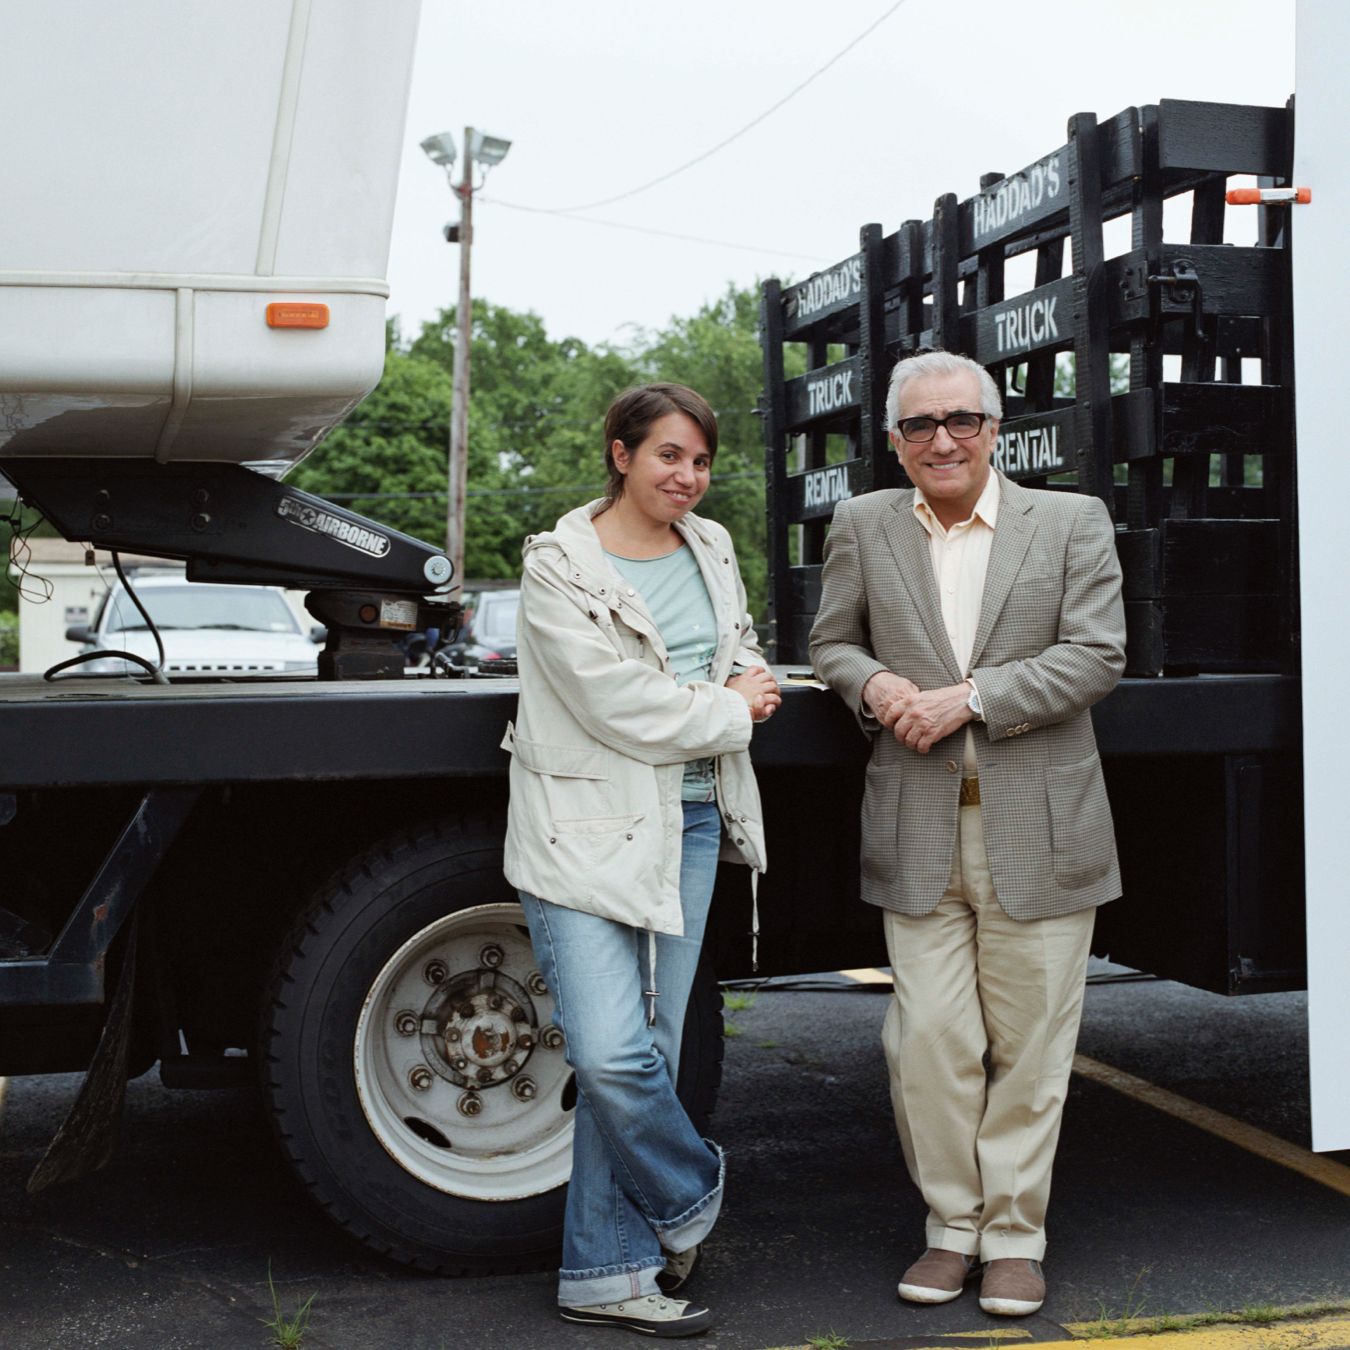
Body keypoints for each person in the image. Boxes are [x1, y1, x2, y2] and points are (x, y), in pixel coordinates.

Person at [809, 350, 1125, 1318]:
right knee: (930, 1043)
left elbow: (1097, 654)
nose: (941, 441)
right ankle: (952, 1229)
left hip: (1043, 825)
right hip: (916, 828)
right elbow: (831, 641)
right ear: (896, 442)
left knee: (1031, 1049)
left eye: (961, 421)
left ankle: (1016, 1238)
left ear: (996, 428)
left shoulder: (1070, 521)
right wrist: (877, 684)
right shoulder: (864, 523)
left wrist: (973, 699)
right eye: (919, 427)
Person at [502, 382, 780, 1338]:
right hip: (582, 831)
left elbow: (730, 641)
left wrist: (751, 672)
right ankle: (689, 1193)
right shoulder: (559, 569)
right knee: (612, 1054)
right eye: (669, 456)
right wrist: (733, 711)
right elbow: (610, 702)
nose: (688, 477)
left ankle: (605, 1273)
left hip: (690, 824)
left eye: (700, 461)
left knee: (653, 1051)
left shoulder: (711, 545)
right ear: (620, 455)